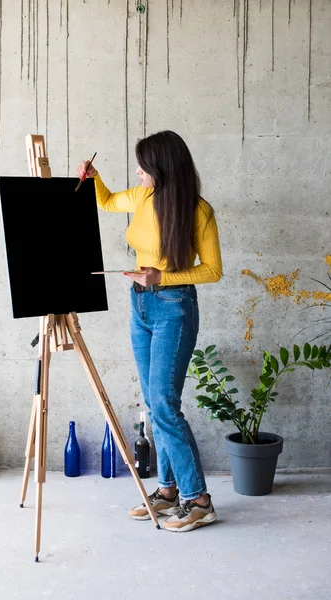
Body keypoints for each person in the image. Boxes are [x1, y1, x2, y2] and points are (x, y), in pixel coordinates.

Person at [76, 130, 222, 532]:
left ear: (162, 167)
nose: (138, 172)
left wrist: (164, 275)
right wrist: (95, 175)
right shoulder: (142, 197)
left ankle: (199, 500)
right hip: (139, 304)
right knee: (155, 403)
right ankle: (169, 491)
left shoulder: (199, 211)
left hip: (174, 306)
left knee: (163, 403)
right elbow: (105, 201)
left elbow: (212, 270)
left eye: (143, 166)